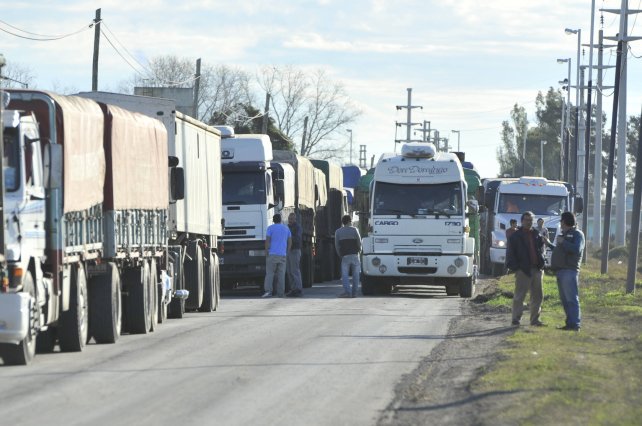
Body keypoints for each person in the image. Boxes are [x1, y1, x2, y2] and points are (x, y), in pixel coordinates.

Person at [505, 211, 549, 327]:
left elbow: (541, 250)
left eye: (530, 220)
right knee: (519, 296)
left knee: (537, 296)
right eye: (526, 220)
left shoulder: (536, 234)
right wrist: (516, 268)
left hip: (537, 269)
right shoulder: (515, 236)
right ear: (522, 221)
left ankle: (535, 320)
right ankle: (516, 319)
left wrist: (542, 263)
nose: (529, 222)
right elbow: (510, 253)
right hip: (523, 270)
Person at [550, 212, 585, 331]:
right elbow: (560, 250)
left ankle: (575, 325)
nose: (560, 223)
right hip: (561, 271)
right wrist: (549, 244)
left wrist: (563, 242)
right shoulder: (564, 234)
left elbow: (576, 249)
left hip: (569, 271)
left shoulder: (577, 234)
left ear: (564, 222)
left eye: (561, 221)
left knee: (571, 299)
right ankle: (569, 323)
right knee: (565, 300)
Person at [262, 214, 291, 298]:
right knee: (281, 275)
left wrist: (266, 251)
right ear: (280, 220)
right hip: (282, 255)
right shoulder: (286, 228)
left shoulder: (270, 228)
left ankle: (268, 291)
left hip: (272, 254)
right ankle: (281, 293)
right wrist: (287, 251)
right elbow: (290, 241)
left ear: (273, 220)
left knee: (270, 273)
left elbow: (267, 241)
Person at [334, 214, 362, 298]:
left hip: (345, 256)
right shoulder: (355, 230)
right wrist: (359, 252)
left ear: (343, 222)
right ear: (350, 221)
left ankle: (347, 292)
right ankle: (355, 293)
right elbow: (359, 243)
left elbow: (337, 245)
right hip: (355, 255)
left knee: (345, 275)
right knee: (356, 275)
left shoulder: (338, 231)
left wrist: (340, 254)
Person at [286, 212, 304, 297]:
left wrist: (289, 238)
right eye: (289, 219)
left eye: (291, 219)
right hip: (288, 251)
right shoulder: (287, 227)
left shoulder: (298, 227)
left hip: (295, 250)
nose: (290, 220)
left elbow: (297, 238)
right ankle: (293, 289)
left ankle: (298, 289)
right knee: (289, 271)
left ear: (295, 219)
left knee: (295, 271)